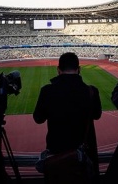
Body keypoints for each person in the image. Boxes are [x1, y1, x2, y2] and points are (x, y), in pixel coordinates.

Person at [33, 52, 102, 184]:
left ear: (58, 70)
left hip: (56, 154)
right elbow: (97, 116)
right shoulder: (92, 91)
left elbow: (38, 119)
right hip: (83, 155)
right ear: (79, 69)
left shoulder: (47, 91)